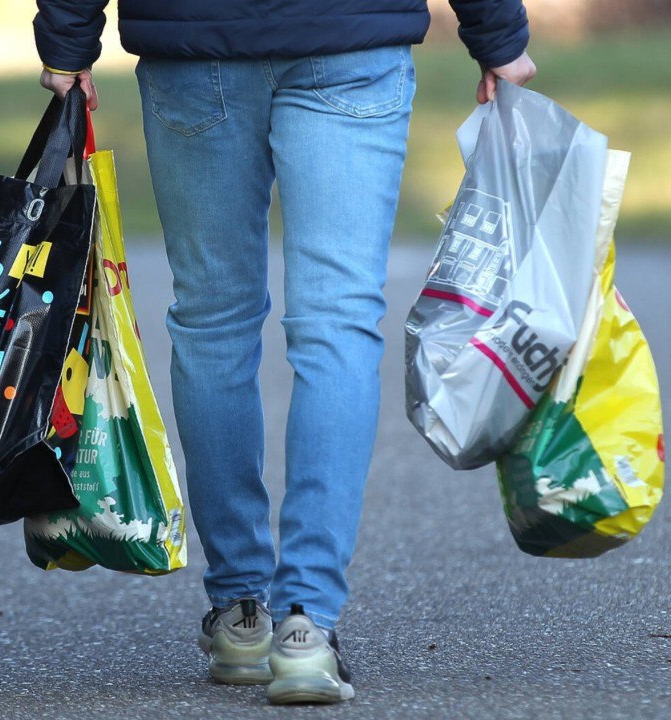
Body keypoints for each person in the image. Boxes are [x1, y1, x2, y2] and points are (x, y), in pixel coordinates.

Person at [33, 0, 534, 705]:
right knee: (338, 322)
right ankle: (308, 626)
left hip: (195, 41)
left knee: (212, 321)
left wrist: (67, 42)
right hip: (349, 40)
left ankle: (240, 612)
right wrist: (498, 37)